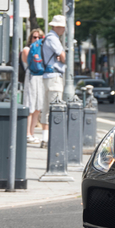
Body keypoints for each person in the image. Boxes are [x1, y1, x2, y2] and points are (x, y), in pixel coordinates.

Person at [40, 15, 67, 148]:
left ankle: (45, 138)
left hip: (46, 76)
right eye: (62, 27)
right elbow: (63, 57)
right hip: (54, 77)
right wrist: (62, 56)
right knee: (55, 108)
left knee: (46, 109)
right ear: (57, 27)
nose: (64, 29)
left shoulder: (47, 38)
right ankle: (52, 139)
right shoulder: (54, 39)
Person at [21, 29, 45, 144]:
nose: (37, 39)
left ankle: (32, 133)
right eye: (34, 37)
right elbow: (29, 61)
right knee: (30, 106)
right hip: (31, 77)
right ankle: (26, 134)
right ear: (30, 38)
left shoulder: (43, 50)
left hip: (41, 79)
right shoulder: (27, 49)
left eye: (39, 37)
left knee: (37, 108)